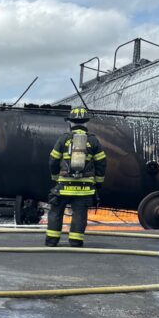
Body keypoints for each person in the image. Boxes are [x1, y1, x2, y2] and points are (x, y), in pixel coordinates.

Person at [46, 106, 107, 247]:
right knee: (79, 214)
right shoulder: (93, 141)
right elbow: (102, 163)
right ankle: (75, 241)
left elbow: (53, 160)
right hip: (84, 189)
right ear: (86, 123)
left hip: (64, 187)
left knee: (56, 211)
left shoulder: (63, 139)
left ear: (70, 123)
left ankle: (51, 241)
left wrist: (55, 178)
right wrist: (98, 182)